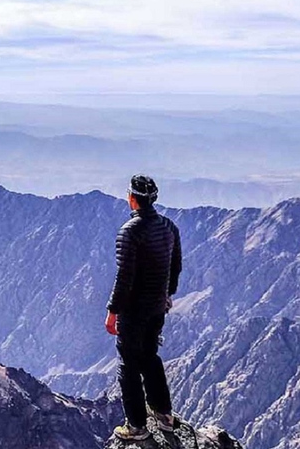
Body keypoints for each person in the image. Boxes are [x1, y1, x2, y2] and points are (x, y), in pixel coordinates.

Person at [105, 174, 182, 440]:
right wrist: (167, 295)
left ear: (132, 198)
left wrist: (112, 311)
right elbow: (175, 267)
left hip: (134, 310)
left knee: (128, 364)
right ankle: (164, 415)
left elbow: (124, 277)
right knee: (150, 357)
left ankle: (136, 426)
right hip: (158, 308)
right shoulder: (169, 227)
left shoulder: (129, 232)